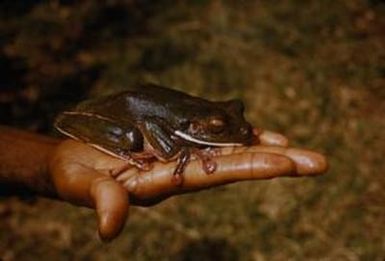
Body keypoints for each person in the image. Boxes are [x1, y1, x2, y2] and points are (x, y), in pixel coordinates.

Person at [0, 126, 327, 241]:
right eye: (214, 126)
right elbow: (161, 136)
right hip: (129, 126)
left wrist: (47, 158)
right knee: (131, 137)